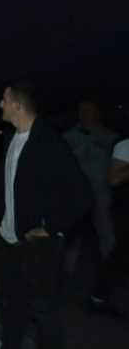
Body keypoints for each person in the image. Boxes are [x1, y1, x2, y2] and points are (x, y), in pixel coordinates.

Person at [0, 83, 91, 349]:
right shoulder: (12, 137)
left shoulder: (48, 141)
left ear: (17, 106)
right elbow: (7, 182)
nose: (0, 104)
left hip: (37, 246)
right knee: (9, 303)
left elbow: (80, 194)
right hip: (8, 241)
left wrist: (52, 227)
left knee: (42, 310)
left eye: (4, 99)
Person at [62, 100, 118, 274]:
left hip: (101, 193)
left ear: (98, 112)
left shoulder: (111, 137)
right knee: (72, 235)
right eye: (81, 109)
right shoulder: (68, 137)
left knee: (106, 233)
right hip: (76, 195)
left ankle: (108, 273)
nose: (83, 113)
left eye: (88, 110)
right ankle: (66, 273)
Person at [89, 137, 129, 319]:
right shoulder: (125, 145)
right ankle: (98, 296)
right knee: (120, 253)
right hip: (124, 208)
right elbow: (114, 178)